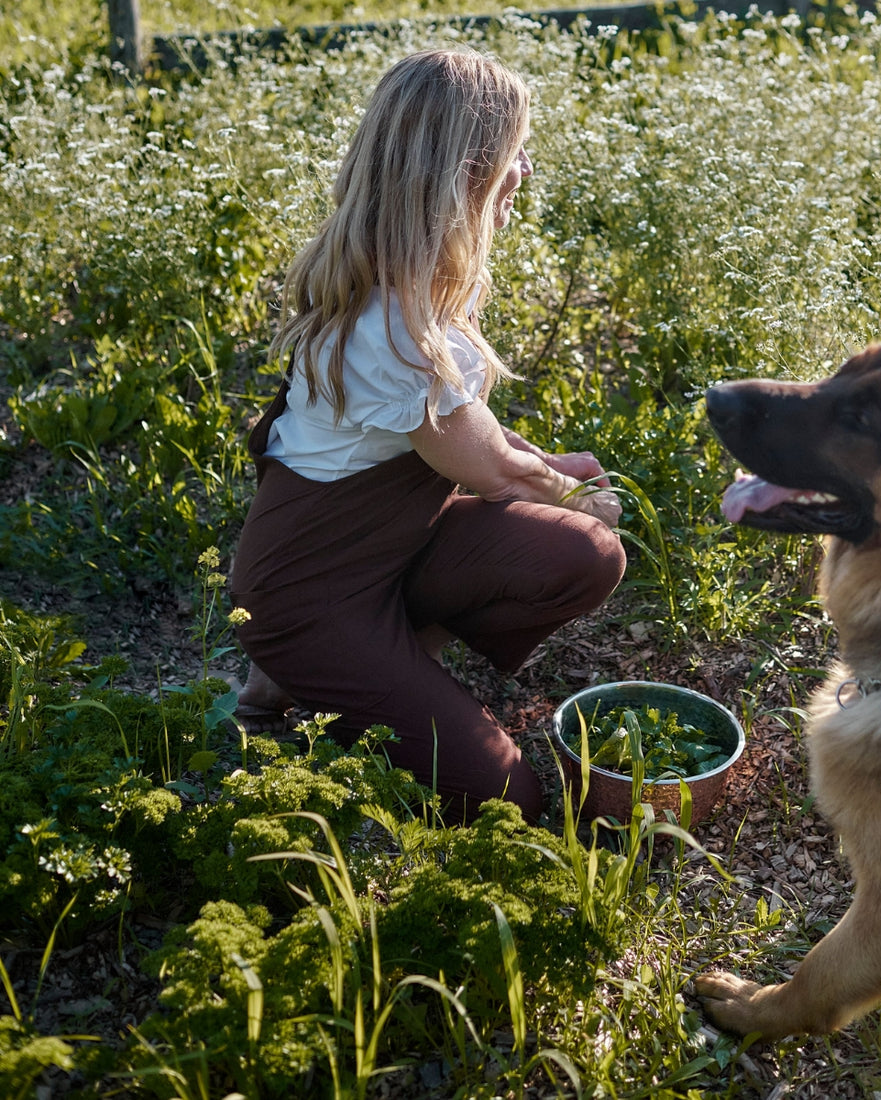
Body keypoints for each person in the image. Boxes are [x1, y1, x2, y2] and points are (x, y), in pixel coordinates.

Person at [229, 48, 626, 825]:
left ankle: (377, 664)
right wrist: (578, 495)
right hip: (308, 593)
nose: (524, 172)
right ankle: (311, 668)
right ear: (468, 176)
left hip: (388, 550)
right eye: (515, 156)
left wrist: (550, 471)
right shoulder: (393, 332)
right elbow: (498, 474)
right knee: (509, 800)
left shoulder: (406, 284)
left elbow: (472, 438)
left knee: (584, 555)